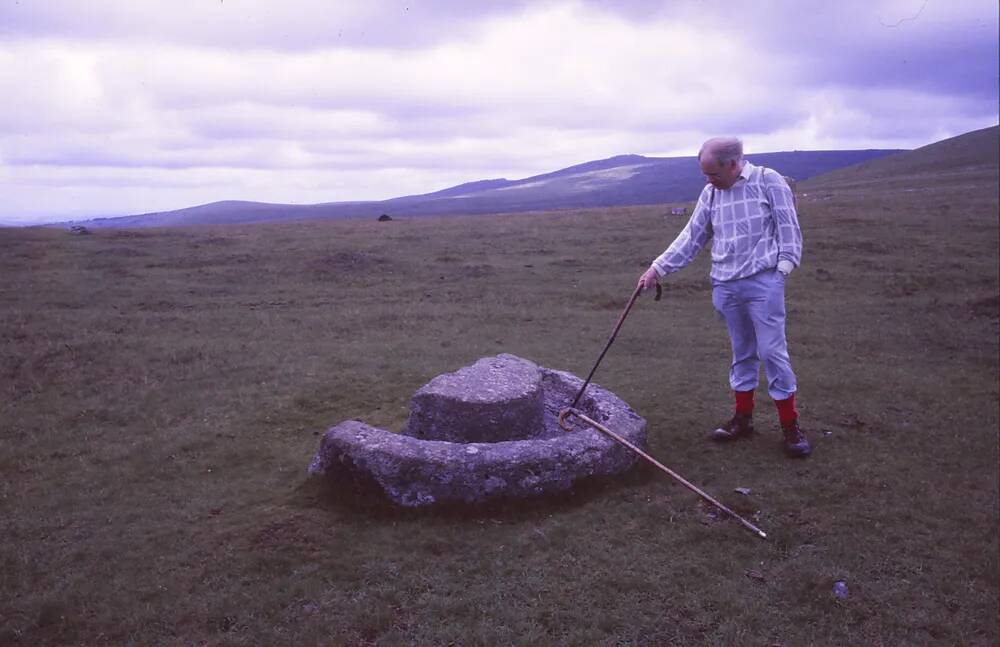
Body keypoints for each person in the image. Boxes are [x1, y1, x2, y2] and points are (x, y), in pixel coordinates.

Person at [638, 137, 811, 457]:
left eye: (713, 173)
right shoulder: (710, 194)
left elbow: (789, 229)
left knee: (772, 352)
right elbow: (692, 236)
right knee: (742, 351)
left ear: (733, 165)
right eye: (705, 174)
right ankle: (742, 420)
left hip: (764, 282)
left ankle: (790, 426)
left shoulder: (767, 181)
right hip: (725, 286)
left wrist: (781, 271)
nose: (708, 180)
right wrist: (657, 269)